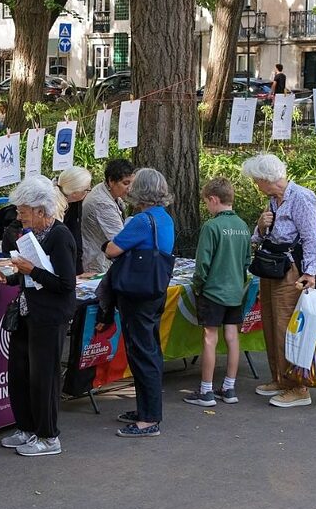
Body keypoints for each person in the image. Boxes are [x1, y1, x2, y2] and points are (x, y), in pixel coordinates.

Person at [0, 176, 75, 457]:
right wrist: (10, 278)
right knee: (20, 373)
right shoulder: (31, 234)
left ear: (41, 210)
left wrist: (29, 271)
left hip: (50, 316)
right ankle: (26, 428)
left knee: (44, 377)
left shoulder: (60, 236)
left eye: (24, 211)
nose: (19, 216)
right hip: (27, 312)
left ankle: (49, 436)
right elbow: (32, 274)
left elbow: (64, 283)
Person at [242, 153, 316, 408]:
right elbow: (259, 238)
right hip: (271, 268)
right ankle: (280, 377)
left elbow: (312, 238)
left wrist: (309, 273)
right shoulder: (274, 201)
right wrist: (261, 225)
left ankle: (297, 387)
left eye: (257, 180)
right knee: (270, 323)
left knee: (287, 327)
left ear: (267, 179)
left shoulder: (302, 198)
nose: (256, 185)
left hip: (291, 271)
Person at [104, 168, 175, 437]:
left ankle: (148, 418)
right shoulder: (164, 218)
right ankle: (146, 408)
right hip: (155, 290)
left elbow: (113, 250)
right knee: (150, 349)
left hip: (136, 293)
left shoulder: (141, 221)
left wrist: (105, 244)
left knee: (141, 351)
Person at [184, 178, 251, 407]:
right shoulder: (243, 226)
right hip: (235, 291)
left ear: (214, 199)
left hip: (213, 291)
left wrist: (198, 285)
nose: (207, 207)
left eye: (206, 203)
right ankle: (229, 387)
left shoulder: (211, 227)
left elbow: (202, 263)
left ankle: (206, 390)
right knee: (232, 337)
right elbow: (246, 261)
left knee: (210, 338)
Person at [81, 158, 135, 274]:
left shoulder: (108, 191)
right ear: (111, 181)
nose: (130, 188)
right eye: (126, 183)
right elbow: (121, 240)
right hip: (97, 264)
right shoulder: (102, 203)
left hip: (102, 258)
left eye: (131, 183)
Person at [56, 166, 92, 276]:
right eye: (87, 190)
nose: (88, 192)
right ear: (75, 193)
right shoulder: (55, 208)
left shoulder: (74, 203)